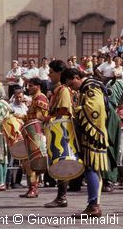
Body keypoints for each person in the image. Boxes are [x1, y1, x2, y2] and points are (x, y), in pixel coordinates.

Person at [61, 68, 109, 218]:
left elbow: (95, 109)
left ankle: (94, 205)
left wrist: (76, 111)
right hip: (91, 134)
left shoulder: (90, 87)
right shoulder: (87, 87)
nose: (71, 88)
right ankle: (93, 204)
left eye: (71, 84)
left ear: (76, 77)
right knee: (91, 169)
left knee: (92, 168)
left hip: (93, 134)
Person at [43, 60, 74, 208]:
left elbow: (64, 110)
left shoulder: (63, 91)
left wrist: (48, 118)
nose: (49, 74)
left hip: (62, 131)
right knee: (59, 162)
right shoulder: (58, 90)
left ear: (59, 73)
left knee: (62, 162)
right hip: (57, 131)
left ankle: (62, 197)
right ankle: (61, 196)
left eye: (51, 71)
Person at [19, 77, 49, 199]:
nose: (28, 88)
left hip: (37, 133)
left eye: (30, 85)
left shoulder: (40, 98)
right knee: (29, 161)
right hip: (32, 133)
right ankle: (32, 188)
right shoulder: (35, 99)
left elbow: (40, 117)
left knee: (33, 161)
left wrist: (23, 117)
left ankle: (33, 188)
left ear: (38, 86)